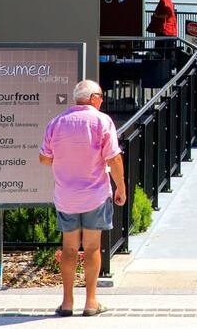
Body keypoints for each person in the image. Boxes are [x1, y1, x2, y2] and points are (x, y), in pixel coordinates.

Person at [39, 80, 126, 316]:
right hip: (95, 195)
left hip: (66, 196)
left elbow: (45, 158)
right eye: (101, 95)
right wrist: (121, 188)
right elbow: (113, 159)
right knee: (92, 248)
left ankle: (67, 303)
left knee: (68, 249)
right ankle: (91, 302)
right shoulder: (101, 121)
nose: (102, 100)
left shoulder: (57, 122)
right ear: (93, 98)